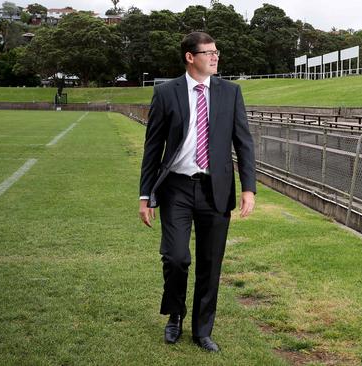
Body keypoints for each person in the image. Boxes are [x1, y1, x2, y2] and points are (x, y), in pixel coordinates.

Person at [138, 31, 256, 352]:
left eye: (217, 51)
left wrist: (249, 188)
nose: (215, 57)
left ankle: (202, 330)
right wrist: (145, 195)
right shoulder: (165, 93)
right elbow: (153, 149)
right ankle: (174, 315)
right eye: (209, 52)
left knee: (210, 263)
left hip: (215, 189)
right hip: (176, 187)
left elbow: (243, 143)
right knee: (176, 258)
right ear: (190, 57)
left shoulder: (231, 93)